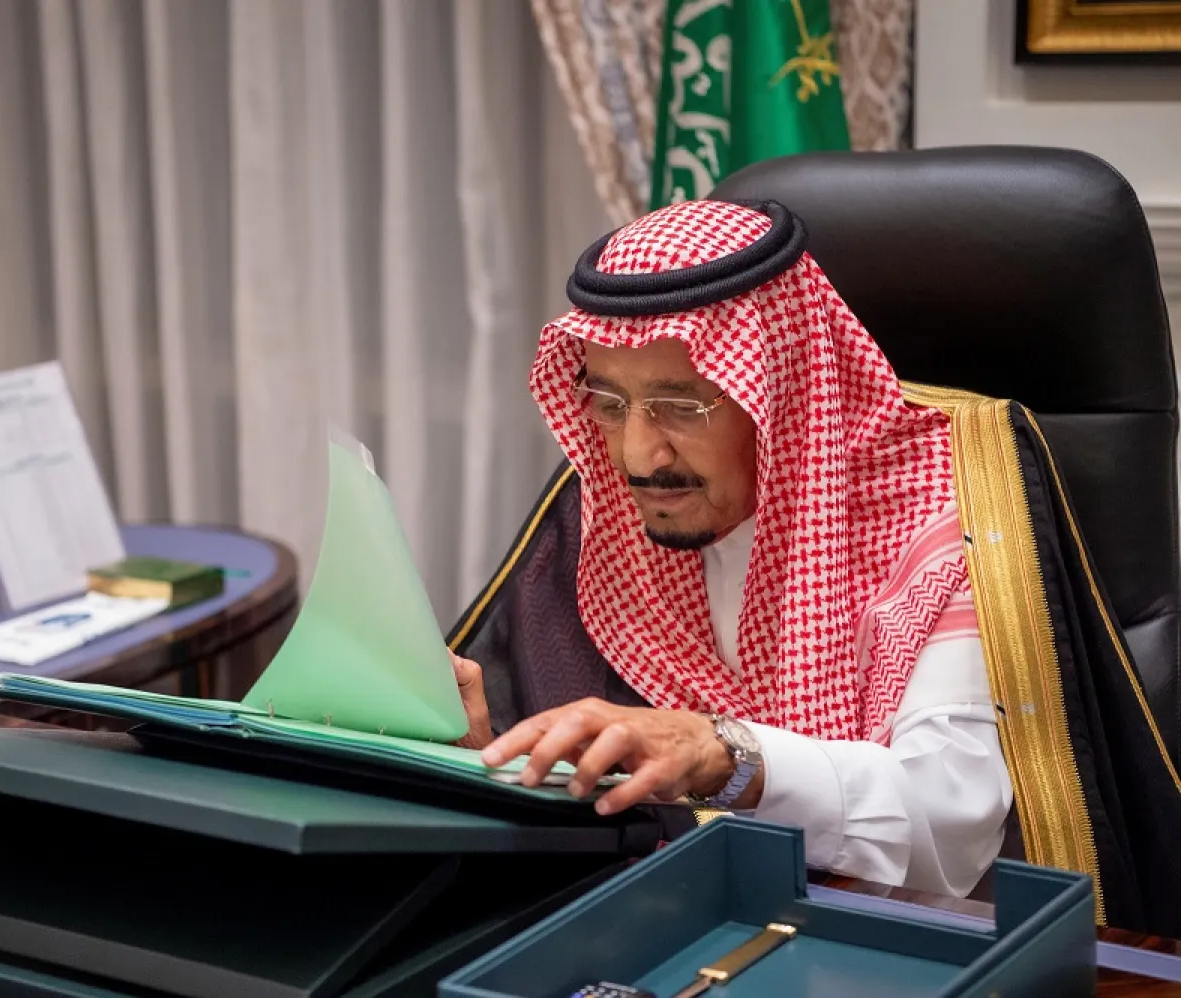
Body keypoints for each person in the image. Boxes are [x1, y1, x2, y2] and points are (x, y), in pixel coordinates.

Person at [447, 198, 1181, 935]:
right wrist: (484, 757)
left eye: (681, 405)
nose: (638, 455)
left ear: (779, 388)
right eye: (609, 402)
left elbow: (947, 820)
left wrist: (721, 754)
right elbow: (576, 754)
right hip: (681, 930)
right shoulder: (610, 511)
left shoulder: (941, 514)